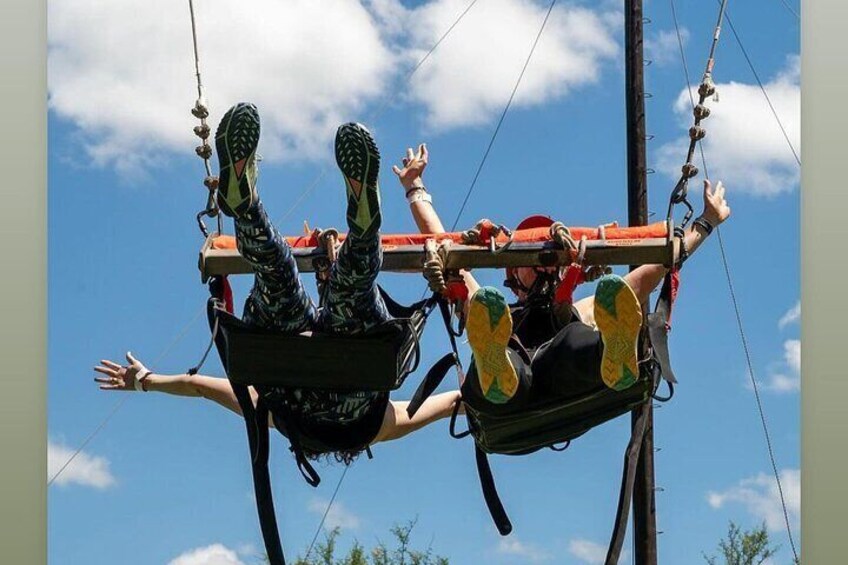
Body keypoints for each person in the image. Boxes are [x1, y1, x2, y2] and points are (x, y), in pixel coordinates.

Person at [94, 103, 461, 462]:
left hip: (360, 371)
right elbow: (201, 387)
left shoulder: (382, 427)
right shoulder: (280, 421)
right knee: (274, 273)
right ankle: (247, 206)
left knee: (353, 286)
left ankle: (363, 230)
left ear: (357, 452)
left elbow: (454, 402)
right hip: (287, 368)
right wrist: (146, 380)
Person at [391, 142, 731, 413]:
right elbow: (447, 253)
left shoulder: (581, 309)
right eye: (529, 257)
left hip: (569, 377)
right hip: (509, 398)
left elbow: (651, 273)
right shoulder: (493, 315)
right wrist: (415, 188)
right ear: (512, 274)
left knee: (575, 336)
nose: (541, 264)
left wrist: (705, 223)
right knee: (501, 348)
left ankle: (612, 352)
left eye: (547, 255)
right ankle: (498, 366)